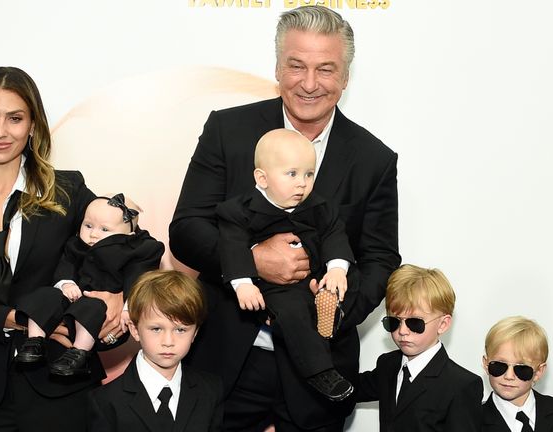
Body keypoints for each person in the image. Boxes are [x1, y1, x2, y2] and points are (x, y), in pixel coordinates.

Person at [169, 5, 400, 431]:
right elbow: (186, 230)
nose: (309, 84)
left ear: (346, 77)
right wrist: (252, 259)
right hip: (226, 363)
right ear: (278, 67)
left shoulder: (374, 159)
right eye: (296, 66)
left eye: (326, 69)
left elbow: (381, 259)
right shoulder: (227, 131)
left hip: (321, 374)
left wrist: (327, 313)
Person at [0, 66, 123, 431]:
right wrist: (22, 318)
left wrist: (117, 298)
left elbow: (123, 248)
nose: (1, 132)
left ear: (32, 125)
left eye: (15, 118)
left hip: (65, 389)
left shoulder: (67, 191)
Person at [217, 128, 355, 401]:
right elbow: (231, 247)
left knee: (349, 279)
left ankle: (330, 311)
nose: (302, 184)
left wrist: (337, 268)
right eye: (292, 174)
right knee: (291, 310)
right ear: (262, 178)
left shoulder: (320, 205)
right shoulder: (238, 210)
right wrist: (243, 283)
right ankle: (320, 372)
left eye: (309, 174)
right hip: (275, 286)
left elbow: (333, 234)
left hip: (314, 278)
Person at [14, 193, 164, 376]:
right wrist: (65, 283)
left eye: (105, 230)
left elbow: (139, 280)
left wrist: (128, 309)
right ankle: (35, 342)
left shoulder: (136, 252)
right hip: (71, 301)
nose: (93, 234)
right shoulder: (76, 245)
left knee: (91, 308)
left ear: (129, 235)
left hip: (102, 314)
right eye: (88, 225)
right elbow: (66, 264)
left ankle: (79, 353)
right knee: (45, 295)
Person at [88, 270, 224, 432]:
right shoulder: (105, 400)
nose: (168, 342)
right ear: (135, 330)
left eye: (180, 330)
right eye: (156, 329)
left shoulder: (211, 390)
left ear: (195, 333)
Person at [355, 264, 482, 431]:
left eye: (414, 323)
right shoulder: (388, 365)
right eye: (393, 321)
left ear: (443, 324)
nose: (402, 331)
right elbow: (348, 390)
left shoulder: (461, 385)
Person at [481, 316, 553, 432]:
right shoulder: (471, 421)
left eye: (521, 369)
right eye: (499, 366)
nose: (509, 376)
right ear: (486, 364)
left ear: (539, 371)